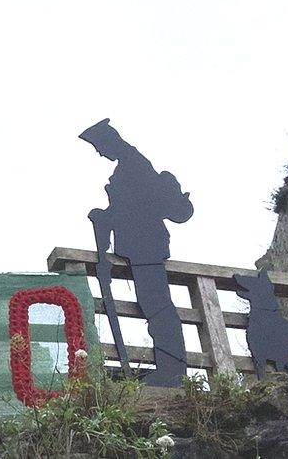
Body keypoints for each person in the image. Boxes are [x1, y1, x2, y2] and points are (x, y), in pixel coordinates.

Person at [81, 119, 193, 387]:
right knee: (152, 304)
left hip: (147, 245)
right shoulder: (128, 166)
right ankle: (169, 367)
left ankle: (172, 370)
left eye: (99, 146)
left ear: (110, 141)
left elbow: (133, 208)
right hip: (140, 246)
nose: (100, 153)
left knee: (158, 306)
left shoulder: (133, 164)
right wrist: (104, 218)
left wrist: (106, 217)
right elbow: (126, 209)